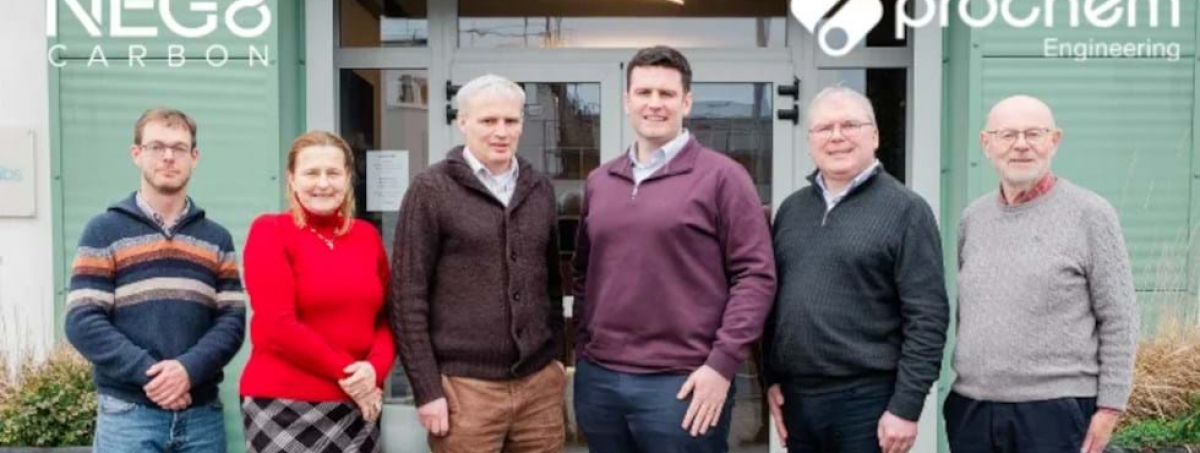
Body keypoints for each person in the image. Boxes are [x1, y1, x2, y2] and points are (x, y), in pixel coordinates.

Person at [570, 45, 777, 453]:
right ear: (626, 100)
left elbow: (755, 276)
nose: (654, 103)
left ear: (686, 102)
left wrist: (722, 365)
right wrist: (584, 353)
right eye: (643, 92)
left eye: (666, 93)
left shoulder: (723, 177)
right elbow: (584, 274)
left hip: (684, 384)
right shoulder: (600, 181)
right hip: (601, 382)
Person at [945, 95, 1138, 453]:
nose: (1021, 145)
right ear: (986, 144)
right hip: (972, 409)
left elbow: (1119, 316)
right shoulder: (974, 218)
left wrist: (1110, 407)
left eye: (1033, 133)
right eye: (1008, 135)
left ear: (1055, 140)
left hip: (1055, 413)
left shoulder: (1091, 214)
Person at [763, 86, 949, 453]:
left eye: (849, 125)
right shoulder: (792, 210)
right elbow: (774, 299)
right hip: (797, 399)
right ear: (810, 141)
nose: (836, 137)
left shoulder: (907, 210)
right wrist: (771, 377)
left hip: (868, 402)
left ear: (874, 136)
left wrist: (906, 407)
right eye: (824, 128)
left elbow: (927, 317)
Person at [391, 74, 566, 453]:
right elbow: (407, 297)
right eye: (488, 121)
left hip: (539, 388)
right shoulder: (431, 189)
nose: (501, 131)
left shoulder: (539, 189)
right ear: (463, 122)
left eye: (510, 120)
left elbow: (551, 285)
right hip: (465, 390)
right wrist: (426, 388)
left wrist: (557, 361)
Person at [65, 107, 246, 453]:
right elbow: (82, 320)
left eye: (179, 148)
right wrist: (154, 376)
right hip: (128, 416)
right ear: (136, 154)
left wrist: (187, 371)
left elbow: (231, 323)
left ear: (194, 157)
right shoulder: (103, 230)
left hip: (202, 418)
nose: (168, 157)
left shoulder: (216, 238)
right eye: (156, 147)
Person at [240, 131, 394, 453]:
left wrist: (374, 370)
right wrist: (352, 376)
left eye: (333, 173)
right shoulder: (271, 231)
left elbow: (387, 319)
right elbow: (278, 324)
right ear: (291, 178)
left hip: (359, 404)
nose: (323, 183)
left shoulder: (367, 236)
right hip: (284, 405)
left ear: (348, 178)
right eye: (311, 173)